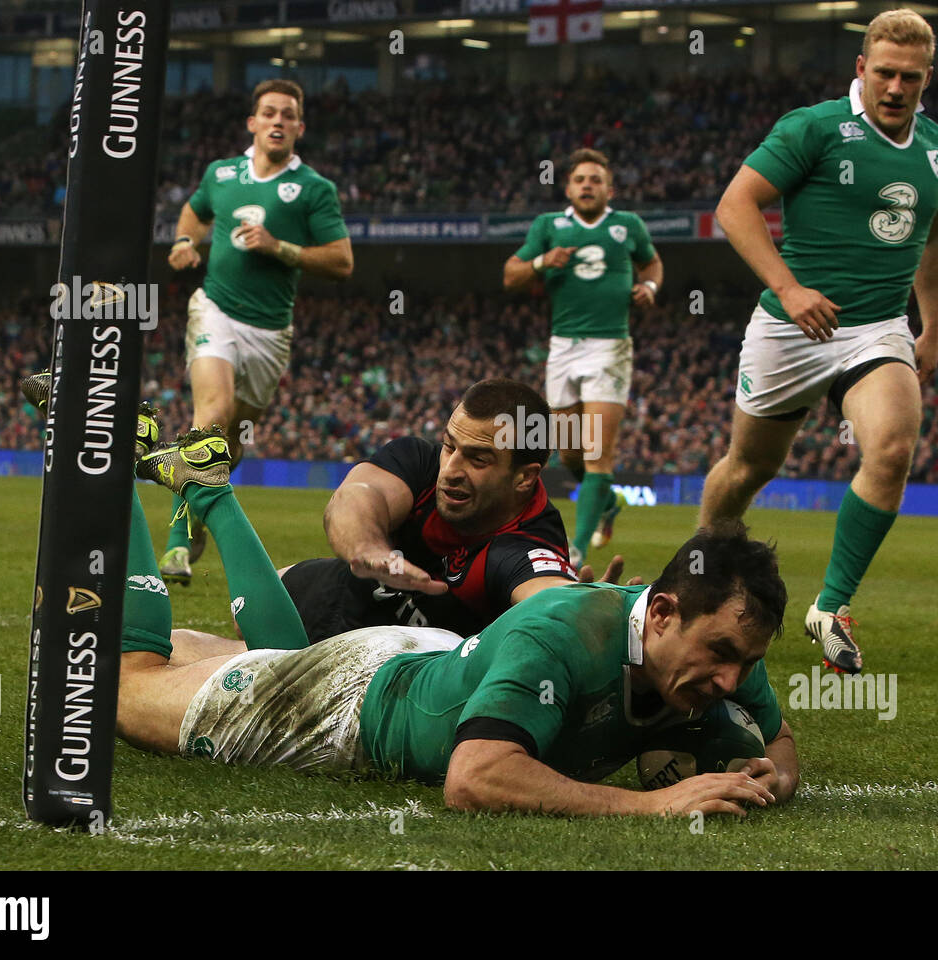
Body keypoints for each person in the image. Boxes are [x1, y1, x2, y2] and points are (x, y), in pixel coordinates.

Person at [117, 428, 798, 817]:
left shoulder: (725, 646)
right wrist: (657, 804)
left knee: (222, 655)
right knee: (125, 684)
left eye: (743, 661)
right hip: (356, 704)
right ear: (661, 612)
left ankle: (207, 488)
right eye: (720, 654)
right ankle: (107, 455)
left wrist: (765, 779)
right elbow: (473, 780)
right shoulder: (560, 631)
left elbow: (782, 741)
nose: (733, 678)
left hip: (435, 658)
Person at [698, 8, 938, 675]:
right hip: (790, 328)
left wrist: (930, 324)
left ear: (928, 78)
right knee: (749, 469)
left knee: (894, 448)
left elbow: (935, 232)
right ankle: (702, 565)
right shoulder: (813, 128)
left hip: (875, 330)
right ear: (862, 69)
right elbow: (735, 206)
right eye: (886, 74)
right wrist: (788, 289)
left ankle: (830, 606)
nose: (897, 89)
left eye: (911, 78)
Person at [161, 78, 354, 586]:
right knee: (212, 415)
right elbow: (196, 212)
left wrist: (279, 247)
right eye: (268, 112)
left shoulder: (314, 189)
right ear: (252, 122)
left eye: (287, 115)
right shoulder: (221, 173)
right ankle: (177, 543)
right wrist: (185, 240)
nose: (277, 121)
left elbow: (341, 261)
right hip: (215, 309)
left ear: (299, 127)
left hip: (269, 332)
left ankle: (197, 515)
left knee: (232, 441)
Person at [279, 378, 625, 644]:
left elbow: (546, 594)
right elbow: (354, 498)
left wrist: (587, 617)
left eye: (478, 459)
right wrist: (370, 550)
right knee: (255, 600)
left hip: (394, 663)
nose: (451, 469)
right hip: (347, 595)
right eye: (450, 446)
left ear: (524, 477)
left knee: (239, 675)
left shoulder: (527, 544)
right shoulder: (419, 461)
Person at [503, 148, 664, 569]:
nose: (587, 185)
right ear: (568, 188)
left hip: (609, 347)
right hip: (562, 347)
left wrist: (650, 287)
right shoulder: (549, 227)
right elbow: (510, 275)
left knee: (596, 454)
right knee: (570, 453)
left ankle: (574, 550)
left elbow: (653, 263)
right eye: (580, 180)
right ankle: (608, 502)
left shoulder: (627, 225)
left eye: (596, 179)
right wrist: (541, 261)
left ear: (610, 189)